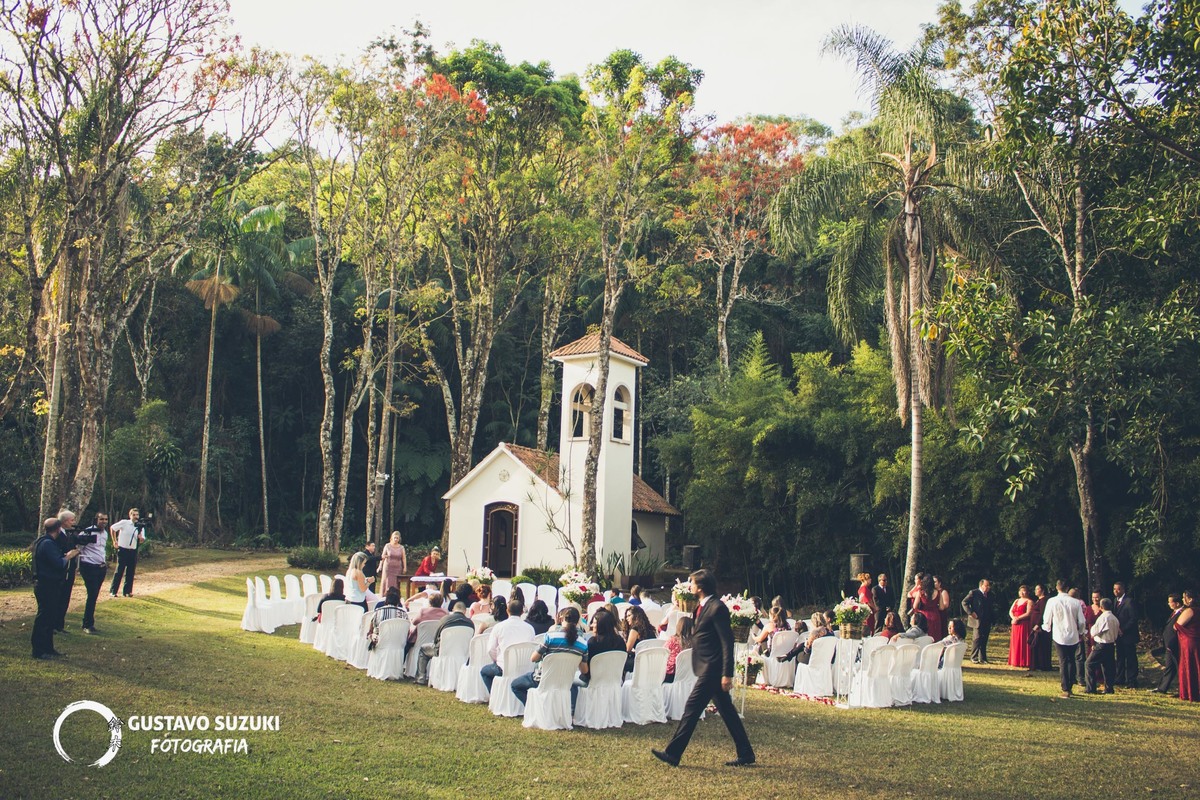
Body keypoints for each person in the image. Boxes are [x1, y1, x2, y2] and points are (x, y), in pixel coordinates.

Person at [653, 569, 755, 768]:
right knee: (727, 711)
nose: (689, 586)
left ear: (700, 587)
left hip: (713, 668)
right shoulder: (701, 606)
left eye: (691, 583)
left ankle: (673, 753)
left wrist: (727, 673)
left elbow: (727, 642)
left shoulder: (717, 608)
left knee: (691, 708)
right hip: (706, 665)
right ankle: (746, 752)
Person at [510, 606, 589, 711]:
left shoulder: (551, 636)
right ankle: (569, 711)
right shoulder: (583, 643)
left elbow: (534, 658)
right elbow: (584, 670)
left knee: (515, 685)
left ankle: (535, 709)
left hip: (544, 678)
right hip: (566, 680)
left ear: (562, 618)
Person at [32, 518, 78, 659]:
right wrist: (69, 556)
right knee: (44, 618)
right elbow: (58, 563)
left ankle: (48, 648)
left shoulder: (43, 541)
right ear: (58, 529)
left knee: (50, 617)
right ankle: (39, 650)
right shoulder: (47, 544)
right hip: (46, 585)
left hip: (48, 583)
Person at [1042, 579, 1087, 698]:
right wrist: (1081, 631)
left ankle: (1065, 687)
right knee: (1071, 660)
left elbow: (1047, 618)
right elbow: (1082, 621)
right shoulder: (1076, 602)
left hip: (1059, 634)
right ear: (1067, 588)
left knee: (1063, 661)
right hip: (1073, 635)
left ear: (1057, 588)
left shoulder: (1052, 601)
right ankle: (1070, 685)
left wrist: (1047, 628)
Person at [479, 598, 534, 692]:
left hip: (503, 667)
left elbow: (491, 649)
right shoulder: (530, 628)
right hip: (525, 666)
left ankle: (494, 694)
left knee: (485, 671)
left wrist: (497, 660)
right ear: (522, 612)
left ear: (507, 610)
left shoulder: (499, 627)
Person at [414, 601, 474, 684]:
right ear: (465, 611)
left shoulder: (445, 619)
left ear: (453, 609)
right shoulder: (470, 623)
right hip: (463, 651)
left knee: (423, 649)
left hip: (443, 651)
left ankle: (420, 678)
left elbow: (436, 638)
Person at [76, 511, 109, 634]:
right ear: (96, 520)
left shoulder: (105, 533)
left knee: (94, 595)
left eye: (106, 519)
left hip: (100, 567)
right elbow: (78, 548)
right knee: (92, 594)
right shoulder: (87, 532)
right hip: (89, 566)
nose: (104, 522)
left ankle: (90, 622)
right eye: (101, 519)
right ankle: (87, 624)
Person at [1085, 598, 1120, 694]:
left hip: (1101, 644)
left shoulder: (1103, 618)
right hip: (1111, 644)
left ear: (1101, 607)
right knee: (1108, 667)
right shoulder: (1114, 618)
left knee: (1089, 664)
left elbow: (1094, 631)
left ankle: (1091, 688)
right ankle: (1109, 688)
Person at [1151, 594, 1184, 694]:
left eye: (1170, 602)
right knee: (1169, 666)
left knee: (1179, 666)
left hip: (1175, 645)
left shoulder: (1182, 613)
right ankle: (1162, 687)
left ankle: (1183, 688)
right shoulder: (1174, 613)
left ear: (1177, 603)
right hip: (1169, 645)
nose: (1169, 604)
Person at [108, 507, 145, 597]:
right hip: (123, 549)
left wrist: (141, 538)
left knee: (131, 571)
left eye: (137, 515)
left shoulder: (140, 526)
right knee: (119, 570)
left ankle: (127, 591)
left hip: (133, 550)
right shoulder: (125, 523)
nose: (136, 517)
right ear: (130, 515)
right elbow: (113, 528)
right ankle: (113, 591)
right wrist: (114, 541)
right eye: (134, 515)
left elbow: (142, 539)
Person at [54, 509, 79, 633]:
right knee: (58, 598)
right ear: (64, 522)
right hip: (61, 572)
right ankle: (54, 625)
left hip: (70, 570)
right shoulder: (58, 536)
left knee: (65, 598)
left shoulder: (70, 534)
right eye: (72, 520)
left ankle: (60, 625)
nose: (73, 523)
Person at [961, 579, 995, 664]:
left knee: (984, 639)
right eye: (986, 586)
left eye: (989, 586)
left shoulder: (990, 595)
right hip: (977, 620)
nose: (988, 588)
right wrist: (971, 612)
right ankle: (974, 656)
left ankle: (982, 658)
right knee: (977, 638)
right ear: (981, 585)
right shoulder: (974, 593)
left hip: (987, 619)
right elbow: (964, 602)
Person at [1113, 581, 1139, 688]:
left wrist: (1123, 629)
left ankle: (1132, 680)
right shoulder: (1115, 601)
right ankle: (1120, 678)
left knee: (1130, 658)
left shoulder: (1129, 601)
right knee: (1120, 657)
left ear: (1123, 590)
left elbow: (1133, 618)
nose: (1116, 591)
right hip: (1119, 636)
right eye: (1114, 589)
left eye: (1118, 589)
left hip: (1128, 635)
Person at [1175, 589, 1199, 701]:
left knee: (1189, 664)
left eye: (1184, 597)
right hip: (1196, 640)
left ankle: (1191, 692)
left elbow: (1177, 625)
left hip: (1189, 642)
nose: (1182, 599)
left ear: (1190, 599)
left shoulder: (1190, 611)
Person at [623, 605, 658, 672]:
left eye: (629, 615)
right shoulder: (650, 629)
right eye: (626, 616)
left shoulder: (634, 630)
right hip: (652, 660)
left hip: (640, 662)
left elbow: (627, 649)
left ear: (636, 616)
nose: (627, 618)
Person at [1008, 585, 1034, 669]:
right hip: (1015, 624)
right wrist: (1013, 618)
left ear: (1028, 592)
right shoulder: (1016, 600)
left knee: (1023, 642)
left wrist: (1018, 618)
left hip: (1024, 624)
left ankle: (1023, 661)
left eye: (1024, 591)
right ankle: (1015, 660)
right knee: (1015, 642)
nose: (1022, 593)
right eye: (1020, 591)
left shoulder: (1029, 601)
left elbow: (1028, 613)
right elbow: (1011, 611)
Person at [663, 617, 695, 683]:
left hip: (672, 674)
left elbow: (663, 653)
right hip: (688, 674)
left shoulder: (672, 641)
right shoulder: (694, 642)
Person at [1030, 584, 1053, 672]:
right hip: (1034, 625)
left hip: (1040, 627)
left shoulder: (1044, 601)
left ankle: (1042, 665)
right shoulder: (1038, 601)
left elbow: (1043, 614)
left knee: (1041, 645)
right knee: (1036, 644)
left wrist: (1038, 624)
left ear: (1042, 590)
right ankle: (1036, 664)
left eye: (1037, 589)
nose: (1035, 591)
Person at [933, 575, 952, 643]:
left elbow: (946, 605)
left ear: (939, 583)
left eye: (935, 582)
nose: (933, 583)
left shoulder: (943, 592)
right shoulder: (932, 592)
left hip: (941, 614)